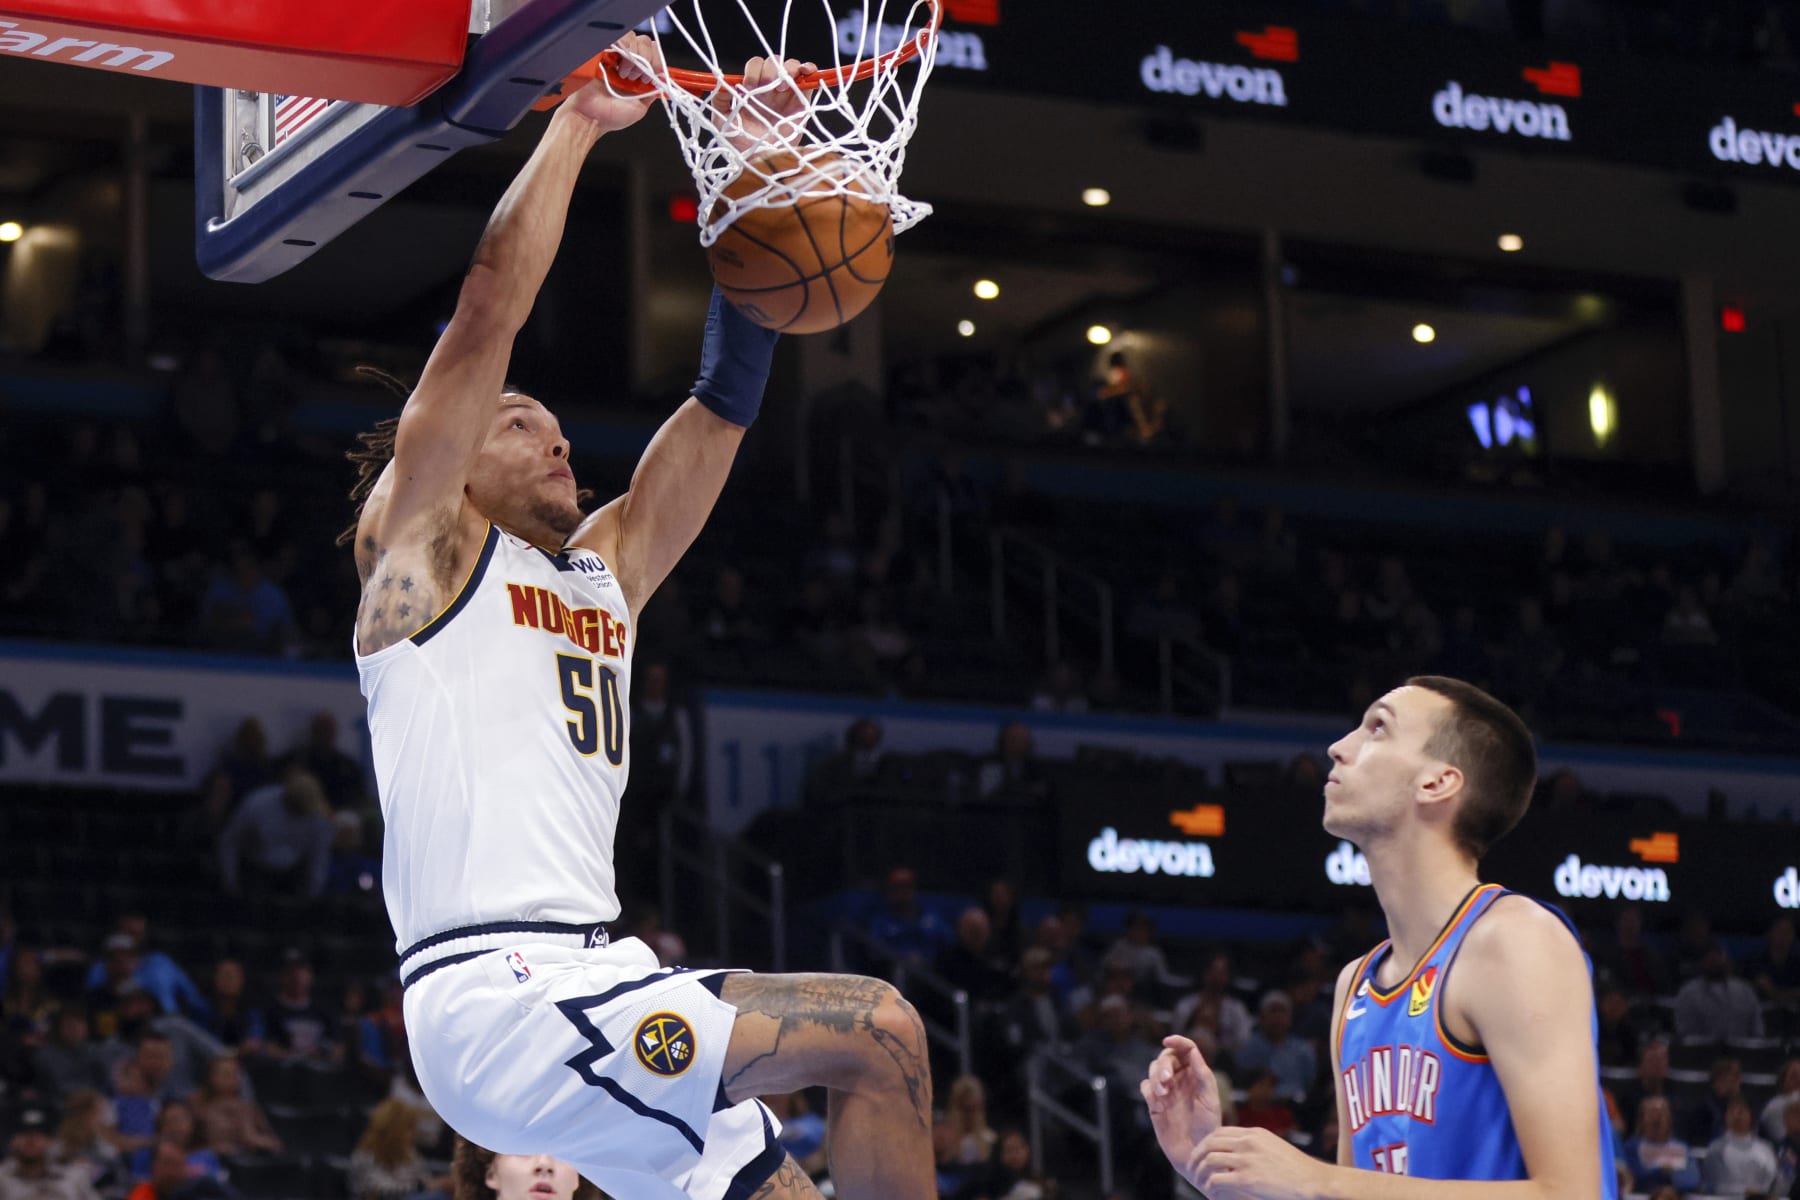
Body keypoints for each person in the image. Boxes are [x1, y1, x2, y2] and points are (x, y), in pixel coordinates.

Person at [342, 42, 931, 1200]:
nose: (558, 439)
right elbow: (487, 307)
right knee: (883, 1030)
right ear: (455, 464)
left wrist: (760, 186)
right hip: (497, 991)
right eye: (520, 424)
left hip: (595, 973)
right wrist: (579, 124)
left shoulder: (601, 574)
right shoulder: (424, 556)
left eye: (558, 424)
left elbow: (718, 410)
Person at [1141, 676, 1618, 1196]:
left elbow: (1573, 1193)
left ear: (1437, 782)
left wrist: (1316, 1178)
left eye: (1377, 728)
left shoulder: (1515, 939)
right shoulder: (1356, 985)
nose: (1338, 747)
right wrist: (1214, 1163)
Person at [349, 1101, 451, 1200]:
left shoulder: (409, 1154)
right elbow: (380, 1190)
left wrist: (440, 1184)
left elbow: (425, 1179)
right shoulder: (365, 1155)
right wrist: (423, 1186)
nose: (414, 1135)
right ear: (393, 1131)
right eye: (409, 1130)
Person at [1, 1104, 101, 1200]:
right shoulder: (2, 1179)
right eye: (23, 1132)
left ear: (51, 1141)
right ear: (12, 1141)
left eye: (39, 1133)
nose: (31, 1140)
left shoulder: (73, 1177)